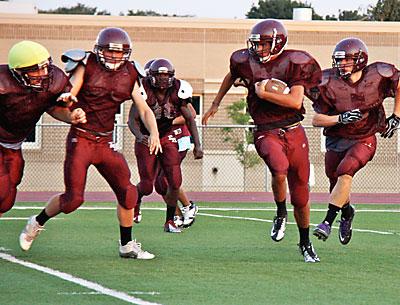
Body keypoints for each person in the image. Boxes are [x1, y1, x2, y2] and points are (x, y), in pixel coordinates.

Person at [19, 27, 162, 259]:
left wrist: (154, 132)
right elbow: (73, 88)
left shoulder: (131, 73)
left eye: (119, 53)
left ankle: (126, 245)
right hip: (82, 138)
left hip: (105, 141)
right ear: (99, 50)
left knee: (128, 193)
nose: (114, 57)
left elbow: (144, 109)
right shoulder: (86, 63)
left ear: (127, 53)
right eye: (110, 51)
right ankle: (36, 222)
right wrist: (69, 99)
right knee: (73, 200)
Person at [202, 19, 322, 262]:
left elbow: (296, 102)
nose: (259, 49)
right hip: (266, 130)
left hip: (294, 130)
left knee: (300, 196)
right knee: (279, 170)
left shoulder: (294, 62)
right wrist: (215, 102)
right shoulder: (244, 60)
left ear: (278, 43)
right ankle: (280, 212)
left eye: (264, 44)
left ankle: (305, 242)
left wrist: (264, 92)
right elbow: (231, 75)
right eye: (256, 44)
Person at [310, 37, 400, 245]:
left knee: (346, 171)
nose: (341, 65)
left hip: (364, 137)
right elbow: (316, 120)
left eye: (346, 60)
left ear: (359, 60)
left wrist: (396, 115)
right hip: (336, 140)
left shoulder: (378, 75)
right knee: (336, 184)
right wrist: (339, 118)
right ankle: (347, 213)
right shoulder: (328, 82)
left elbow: (398, 85)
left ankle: (326, 222)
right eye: (339, 60)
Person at [0, 40, 86, 218]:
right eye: (37, 69)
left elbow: (54, 108)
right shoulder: (3, 82)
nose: (44, 73)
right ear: (18, 72)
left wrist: (70, 117)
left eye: (46, 67)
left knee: (6, 200)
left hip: (14, 144)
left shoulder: (55, 79)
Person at [128, 58, 203, 233]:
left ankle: (171, 220)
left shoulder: (178, 90)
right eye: (159, 75)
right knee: (147, 185)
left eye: (165, 75)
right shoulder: (143, 89)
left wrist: (197, 144)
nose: (162, 79)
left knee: (174, 181)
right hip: (147, 137)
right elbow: (132, 119)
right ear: (151, 76)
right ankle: (137, 201)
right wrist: (140, 136)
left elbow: (190, 118)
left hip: (169, 136)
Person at [129, 99, 199, 228]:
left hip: (177, 137)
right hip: (157, 139)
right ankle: (177, 214)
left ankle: (188, 206)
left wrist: (168, 122)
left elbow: (192, 114)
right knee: (158, 183)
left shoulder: (174, 90)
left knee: (166, 178)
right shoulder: (146, 93)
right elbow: (134, 119)